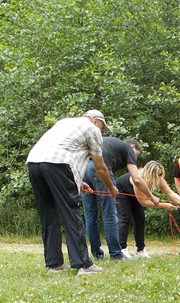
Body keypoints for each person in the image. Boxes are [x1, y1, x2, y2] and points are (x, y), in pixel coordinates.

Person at [26, 110, 118, 275]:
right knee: (70, 212)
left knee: (48, 215)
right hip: (58, 164)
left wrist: (78, 182)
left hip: (34, 162)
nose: (102, 132)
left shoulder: (64, 122)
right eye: (103, 128)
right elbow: (100, 167)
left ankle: (54, 264)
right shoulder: (92, 129)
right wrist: (111, 188)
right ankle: (83, 264)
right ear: (96, 121)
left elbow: (60, 153)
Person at [81, 137, 159, 261]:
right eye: (136, 156)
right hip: (100, 168)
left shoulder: (109, 144)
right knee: (110, 214)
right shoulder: (127, 148)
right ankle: (116, 254)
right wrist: (152, 196)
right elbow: (137, 179)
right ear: (132, 146)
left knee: (90, 215)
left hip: (84, 170)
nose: (134, 159)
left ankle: (97, 254)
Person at [116, 161, 180, 259]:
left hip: (137, 195)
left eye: (161, 174)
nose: (160, 177)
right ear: (151, 174)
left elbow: (170, 193)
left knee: (140, 218)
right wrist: (164, 205)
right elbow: (143, 202)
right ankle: (122, 249)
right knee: (125, 218)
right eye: (158, 175)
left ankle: (140, 250)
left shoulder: (160, 178)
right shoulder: (138, 179)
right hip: (122, 191)